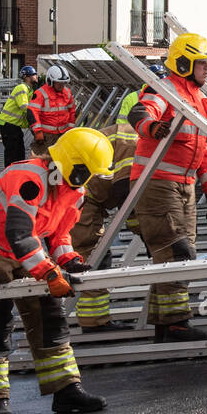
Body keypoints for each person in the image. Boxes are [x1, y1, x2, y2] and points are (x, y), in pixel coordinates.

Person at [0, 127, 114, 414]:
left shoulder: (73, 190)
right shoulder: (29, 179)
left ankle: (66, 390)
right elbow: (20, 235)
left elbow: (59, 233)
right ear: (69, 161)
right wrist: (50, 271)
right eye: (85, 172)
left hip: (22, 255)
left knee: (49, 314)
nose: (87, 179)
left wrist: (68, 259)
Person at [127, 33, 207, 343]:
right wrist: (154, 127)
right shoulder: (165, 89)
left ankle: (166, 324)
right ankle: (176, 323)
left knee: (178, 254)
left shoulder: (202, 100)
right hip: (157, 184)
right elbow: (139, 113)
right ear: (184, 64)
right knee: (175, 250)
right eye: (202, 65)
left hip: (187, 187)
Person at [69, 122, 138, 331]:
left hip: (85, 193)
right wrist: (143, 230)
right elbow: (125, 192)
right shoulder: (133, 142)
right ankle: (94, 324)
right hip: (78, 196)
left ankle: (97, 320)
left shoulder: (131, 137)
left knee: (96, 257)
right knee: (92, 258)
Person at [27, 63, 76, 157]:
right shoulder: (41, 93)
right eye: (59, 83)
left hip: (63, 135)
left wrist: (70, 130)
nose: (62, 85)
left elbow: (72, 111)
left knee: (62, 162)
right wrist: (37, 132)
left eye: (64, 83)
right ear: (50, 81)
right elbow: (32, 112)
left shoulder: (67, 92)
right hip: (45, 137)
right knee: (39, 161)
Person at [0, 65, 40, 167]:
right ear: (27, 77)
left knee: (19, 150)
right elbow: (24, 107)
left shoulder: (29, 91)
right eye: (34, 74)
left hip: (12, 125)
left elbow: (26, 113)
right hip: (7, 124)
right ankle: (9, 173)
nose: (37, 76)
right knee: (12, 151)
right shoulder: (22, 88)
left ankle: (16, 170)